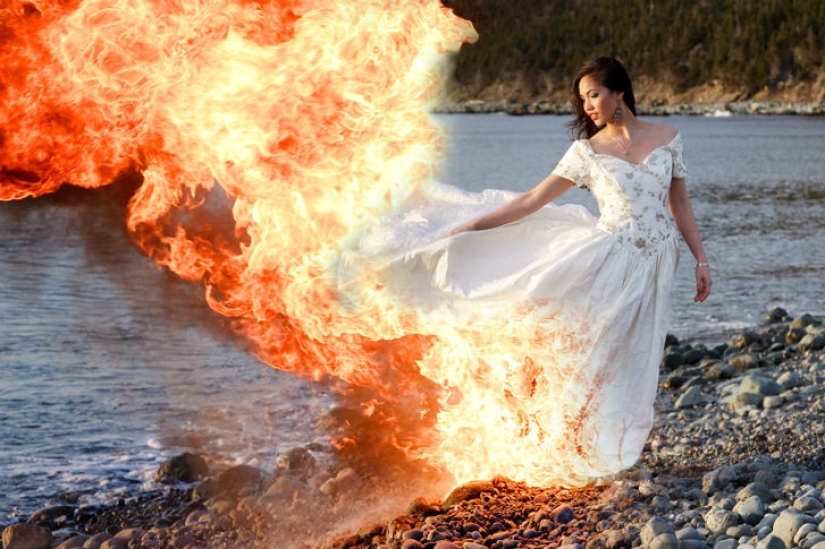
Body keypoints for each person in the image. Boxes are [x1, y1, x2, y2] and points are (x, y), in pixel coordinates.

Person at [338, 56, 711, 484]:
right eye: (582, 99)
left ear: (618, 92)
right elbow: (533, 200)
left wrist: (701, 260)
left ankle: (612, 447)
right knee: (590, 347)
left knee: (635, 354)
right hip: (609, 257)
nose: (587, 106)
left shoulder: (668, 138)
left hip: (658, 261)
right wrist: (473, 226)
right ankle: (572, 445)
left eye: (594, 94)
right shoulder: (586, 152)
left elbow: (678, 203)